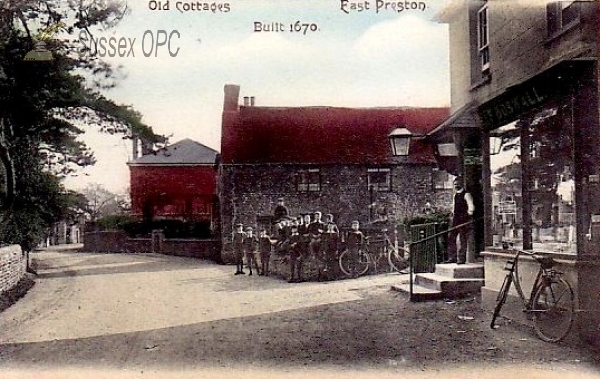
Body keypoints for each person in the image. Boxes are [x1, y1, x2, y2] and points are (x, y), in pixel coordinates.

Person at [446, 176, 475, 264]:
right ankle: (452, 257)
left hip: (463, 220)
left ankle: (461, 259)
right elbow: (454, 207)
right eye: (455, 184)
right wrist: (452, 215)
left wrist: (467, 216)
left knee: (462, 239)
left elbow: (471, 207)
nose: (456, 186)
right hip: (455, 219)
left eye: (457, 184)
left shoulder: (466, 194)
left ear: (461, 184)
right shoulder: (455, 195)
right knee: (451, 237)